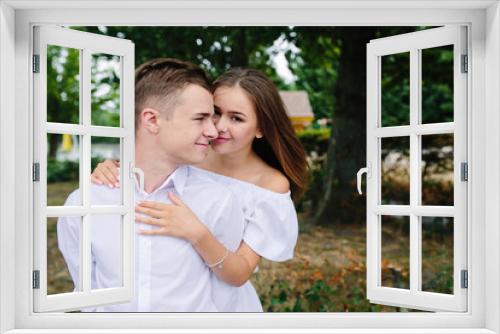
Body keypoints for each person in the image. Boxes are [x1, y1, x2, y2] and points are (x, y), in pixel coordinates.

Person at [91, 68, 309, 312]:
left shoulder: (269, 186)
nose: (218, 127)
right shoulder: (191, 154)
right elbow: (149, 162)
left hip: (224, 305)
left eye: (236, 118)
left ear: (260, 129)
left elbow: (239, 275)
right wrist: (112, 168)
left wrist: (197, 233)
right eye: (214, 113)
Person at [57, 58, 245, 312]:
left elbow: (225, 297)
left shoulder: (218, 200)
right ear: (152, 120)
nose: (214, 131)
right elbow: (88, 298)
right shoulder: (84, 203)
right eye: (200, 118)